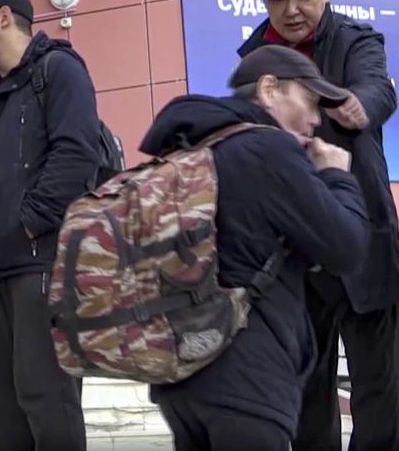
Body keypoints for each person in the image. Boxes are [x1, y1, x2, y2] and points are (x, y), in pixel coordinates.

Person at [142, 45, 369, 451]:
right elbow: (347, 248)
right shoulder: (267, 149)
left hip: (182, 378)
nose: (316, 119)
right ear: (268, 89)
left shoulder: (188, 148)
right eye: (311, 101)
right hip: (249, 379)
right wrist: (337, 176)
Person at [238, 0, 399, 451]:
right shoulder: (253, 61)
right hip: (298, 241)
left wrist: (357, 104)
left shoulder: (356, 39)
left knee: (383, 384)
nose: (292, 10)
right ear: (263, 1)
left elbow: (378, 90)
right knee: (308, 384)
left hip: (362, 233)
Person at [0, 0, 109, 450]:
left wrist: (29, 220)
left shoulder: (58, 70)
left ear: (3, 16)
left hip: (41, 264)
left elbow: (76, 156)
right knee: (0, 401)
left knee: (47, 398)